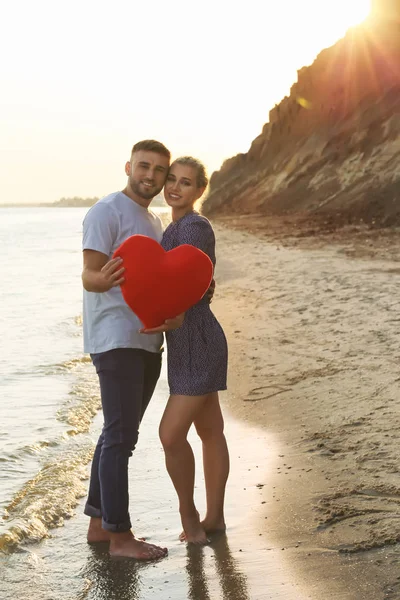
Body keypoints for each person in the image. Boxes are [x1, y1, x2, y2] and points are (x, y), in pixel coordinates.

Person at [81, 139, 184, 560]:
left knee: (117, 436)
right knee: (121, 438)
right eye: (144, 166)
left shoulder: (154, 221)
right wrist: (105, 280)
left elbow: (158, 282)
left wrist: (172, 315)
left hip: (147, 338)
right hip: (115, 338)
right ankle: (121, 537)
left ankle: (98, 524)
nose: (151, 176)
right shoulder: (106, 211)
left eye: (159, 171)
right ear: (128, 166)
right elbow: (89, 275)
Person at [159, 157, 230, 544]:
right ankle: (215, 517)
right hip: (184, 341)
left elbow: (188, 283)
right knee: (210, 430)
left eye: (185, 183)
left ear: (199, 190)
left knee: (171, 434)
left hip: (197, 338)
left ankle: (190, 515)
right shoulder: (171, 227)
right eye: (171, 179)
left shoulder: (195, 227)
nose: (175, 187)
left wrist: (170, 315)